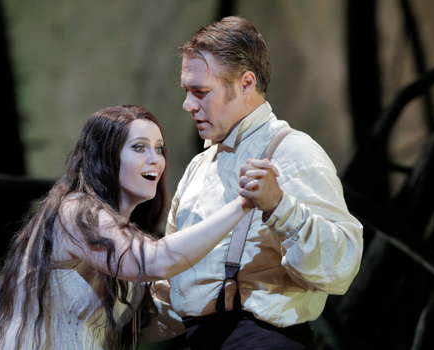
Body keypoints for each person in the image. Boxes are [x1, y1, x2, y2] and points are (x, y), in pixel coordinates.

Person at [0, 105, 254, 350]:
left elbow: (150, 324)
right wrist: (243, 204)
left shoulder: (125, 237)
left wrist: (237, 289)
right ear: (107, 157)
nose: (155, 159)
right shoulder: (75, 211)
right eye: (139, 148)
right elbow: (155, 260)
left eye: (159, 149)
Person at [152, 16, 364, 349]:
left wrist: (281, 207)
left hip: (261, 340)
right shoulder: (200, 166)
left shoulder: (294, 152)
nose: (188, 105)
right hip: (198, 339)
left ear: (246, 83)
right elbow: (170, 277)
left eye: (200, 92)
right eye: (186, 91)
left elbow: (340, 268)